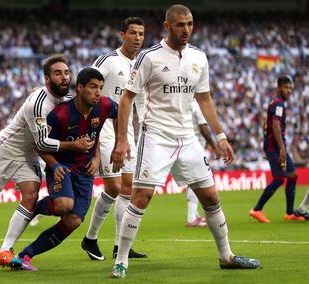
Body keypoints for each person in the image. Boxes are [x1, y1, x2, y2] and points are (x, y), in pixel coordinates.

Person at [110, 4, 260, 278]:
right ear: (167, 26)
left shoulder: (199, 58)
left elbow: (204, 98)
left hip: (187, 138)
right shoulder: (149, 57)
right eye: (180, 25)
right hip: (156, 135)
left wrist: (221, 136)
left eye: (190, 24)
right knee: (141, 196)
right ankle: (121, 261)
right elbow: (126, 98)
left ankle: (226, 256)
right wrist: (122, 140)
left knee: (211, 197)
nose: (186, 29)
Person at [0, 55, 94, 266]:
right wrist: (74, 146)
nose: (64, 77)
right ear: (46, 79)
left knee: (30, 196)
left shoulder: (68, 100)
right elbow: (43, 142)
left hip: (29, 155)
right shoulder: (38, 104)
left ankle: (5, 251)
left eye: (66, 72)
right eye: (58, 73)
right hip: (5, 151)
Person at [8, 67, 118, 270]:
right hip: (62, 166)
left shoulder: (104, 105)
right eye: (93, 87)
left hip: (85, 169)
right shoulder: (60, 115)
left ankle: (25, 256)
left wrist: (99, 155)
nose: (98, 93)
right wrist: (55, 164)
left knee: (74, 220)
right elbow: (39, 144)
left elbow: (117, 115)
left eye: (101, 88)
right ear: (80, 88)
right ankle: (34, 208)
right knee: (64, 205)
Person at [81, 16, 147, 261]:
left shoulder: (142, 65)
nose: (137, 38)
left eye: (141, 34)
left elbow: (140, 102)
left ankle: (118, 245)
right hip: (104, 129)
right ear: (122, 35)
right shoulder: (108, 61)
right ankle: (93, 239)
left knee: (127, 187)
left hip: (126, 131)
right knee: (115, 186)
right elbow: (86, 85)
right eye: (132, 33)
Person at [250, 75, 305, 222]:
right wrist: (281, 149)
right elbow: (275, 126)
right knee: (279, 178)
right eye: (286, 87)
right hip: (275, 147)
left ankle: (289, 212)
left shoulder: (277, 104)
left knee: (292, 175)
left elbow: (270, 126)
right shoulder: (278, 105)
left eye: (290, 88)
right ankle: (257, 209)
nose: (289, 90)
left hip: (276, 146)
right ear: (278, 88)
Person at [185, 100, 222, 227]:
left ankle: (193, 215)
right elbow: (204, 130)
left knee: (192, 181)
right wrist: (214, 147)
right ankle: (191, 218)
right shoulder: (198, 106)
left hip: (185, 146)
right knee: (197, 181)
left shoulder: (187, 103)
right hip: (195, 148)